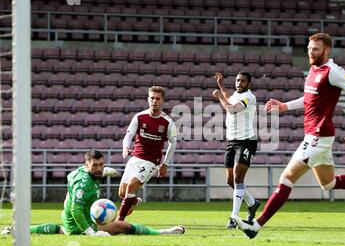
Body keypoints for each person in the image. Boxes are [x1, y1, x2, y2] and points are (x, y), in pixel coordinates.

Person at [233, 32, 345, 239]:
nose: (311, 52)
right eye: (309, 48)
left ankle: (255, 225)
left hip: (318, 136)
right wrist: (285, 106)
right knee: (329, 184)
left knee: (286, 178)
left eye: (315, 49)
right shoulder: (313, 70)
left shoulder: (333, 71)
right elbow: (309, 98)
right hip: (315, 135)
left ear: (327, 50)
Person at [1, 149, 185, 236]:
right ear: (86, 165)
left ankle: (16, 230)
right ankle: (165, 232)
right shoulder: (84, 184)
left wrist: (105, 172)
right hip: (79, 222)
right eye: (95, 166)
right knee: (123, 226)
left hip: (71, 219)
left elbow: (69, 176)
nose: (99, 168)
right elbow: (76, 210)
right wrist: (91, 233)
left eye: (101, 165)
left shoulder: (80, 172)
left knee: (61, 230)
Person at [117, 86, 177, 221]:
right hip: (135, 158)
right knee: (122, 193)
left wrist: (165, 164)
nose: (154, 101)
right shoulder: (139, 117)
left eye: (158, 99)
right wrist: (125, 147)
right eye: (152, 98)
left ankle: (119, 221)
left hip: (151, 162)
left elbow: (173, 143)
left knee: (131, 186)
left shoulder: (168, 123)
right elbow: (128, 135)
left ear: (163, 101)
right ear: (148, 99)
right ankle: (134, 201)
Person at [212, 72, 261, 229]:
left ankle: (234, 217)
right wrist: (221, 85)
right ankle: (252, 204)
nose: (239, 83)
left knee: (238, 179)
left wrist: (219, 96)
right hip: (231, 142)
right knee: (230, 180)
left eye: (243, 81)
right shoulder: (234, 95)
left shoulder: (249, 97)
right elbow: (228, 96)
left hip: (246, 142)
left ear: (249, 84)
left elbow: (232, 109)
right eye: (238, 80)